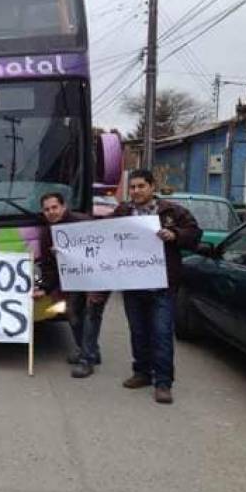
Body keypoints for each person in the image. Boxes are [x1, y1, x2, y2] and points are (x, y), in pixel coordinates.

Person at [113, 169, 202, 405]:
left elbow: (195, 234)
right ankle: (142, 372)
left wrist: (175, 234)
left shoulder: (172, 212)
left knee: (161, 334)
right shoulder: (123, 212)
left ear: (152, 187)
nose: (136, 191)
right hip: (133, 285)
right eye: (132, 187)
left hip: (162, 286)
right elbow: (102, 236)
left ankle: (163, 383)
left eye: (141, 186)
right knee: (138, 332)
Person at [35, 192, 109, 378]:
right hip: (74, 280)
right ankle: (89, 350)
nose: (51, 212)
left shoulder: (83, 222)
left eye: (54, 207)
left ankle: (86, 360)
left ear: (64, 207)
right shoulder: (47, 233)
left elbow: (106, 250)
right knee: (73, 315)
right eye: (47, 209)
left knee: (92, 315)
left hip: (96, 277)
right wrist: (44, 288)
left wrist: (99, 286)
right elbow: (49, 266)